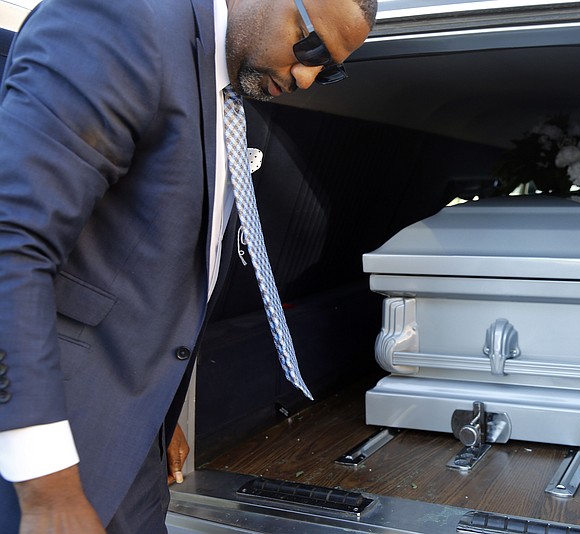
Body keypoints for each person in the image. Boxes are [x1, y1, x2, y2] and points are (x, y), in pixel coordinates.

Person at [0, 0, 376, 531]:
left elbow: (150, 270)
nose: (307, 75)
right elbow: (11, 246)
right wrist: (46, 488)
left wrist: (157, 411)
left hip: (134, 441)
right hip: (43, 451)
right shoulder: (122, 23)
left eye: (329, 69)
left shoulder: (224, 89)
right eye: (310, 44)